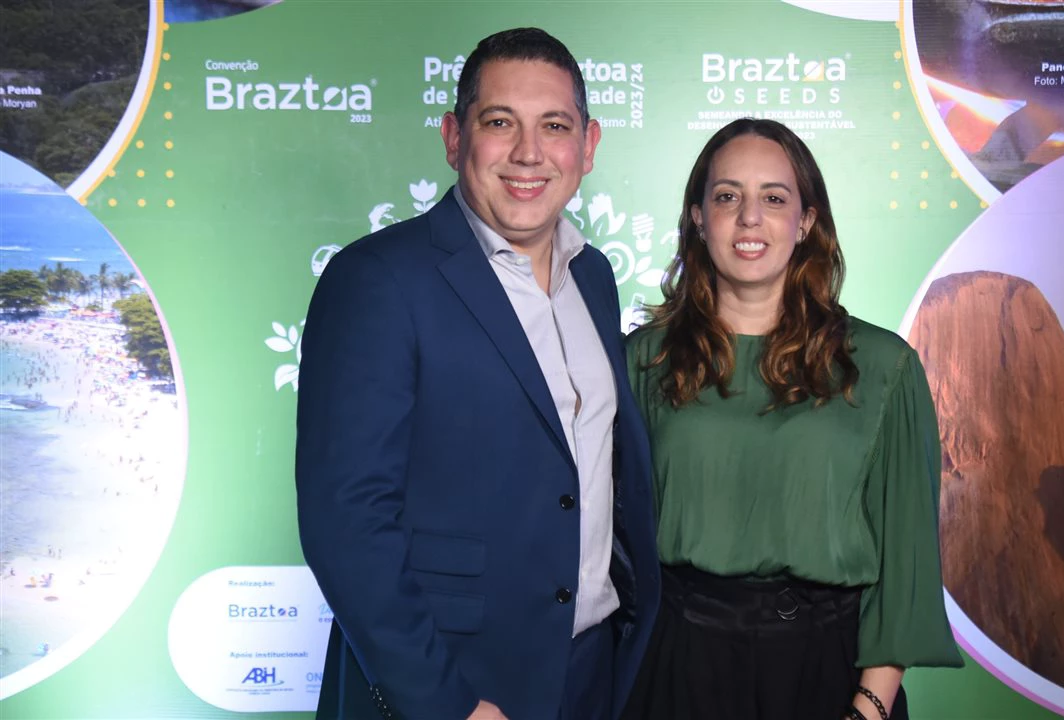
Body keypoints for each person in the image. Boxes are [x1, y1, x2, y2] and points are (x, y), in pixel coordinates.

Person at [296, 27, 660, 720]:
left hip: (590, 671)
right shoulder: (377, 279)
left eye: (554, 126)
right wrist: (446, 703)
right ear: (453, 137)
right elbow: (347, 521)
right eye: (500, 122)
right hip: (457, 683)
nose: (528, 152)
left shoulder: (594, 275)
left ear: (587, 146)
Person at [622, 119, 963, 720]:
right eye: (727, 196)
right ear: (698, 218)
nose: (750, 217)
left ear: (806, 222)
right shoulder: (643, 361)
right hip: (677, 664)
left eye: (774, 198)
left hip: (829, 671)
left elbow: (906, 560)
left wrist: (869, 707)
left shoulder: (882, 366)